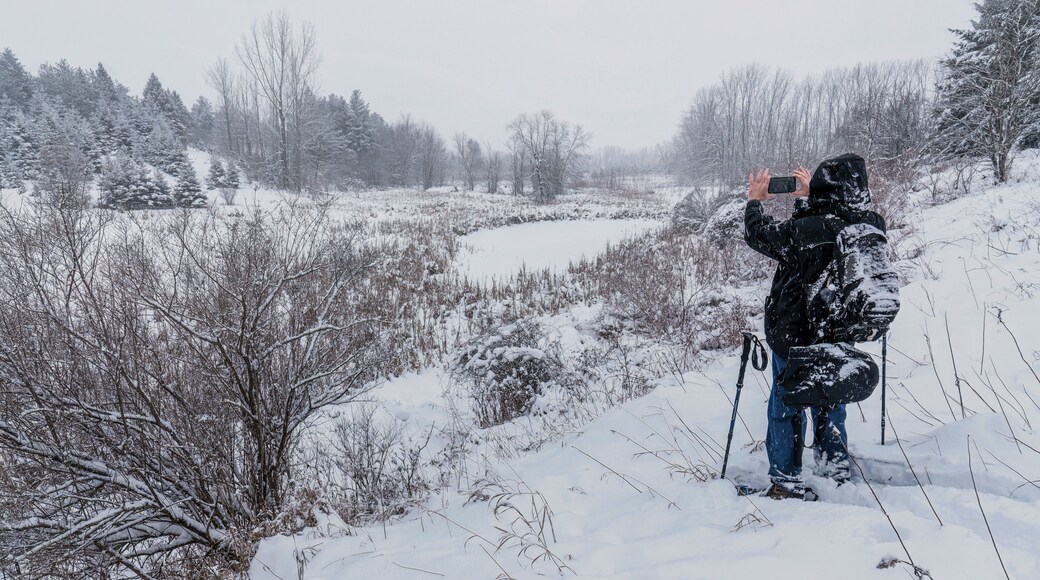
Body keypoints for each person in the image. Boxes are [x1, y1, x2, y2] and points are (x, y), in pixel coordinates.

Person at [743, 154, 885, 500]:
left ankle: (787, 480)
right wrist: (810, 200)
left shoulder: (809, 229)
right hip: (839, 331)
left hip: (795, 333)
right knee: (831, 397)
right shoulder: (870, 223)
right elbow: (826, 233)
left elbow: (759, 235)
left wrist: (755, 202)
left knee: (786, 402)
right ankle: (834, 469)